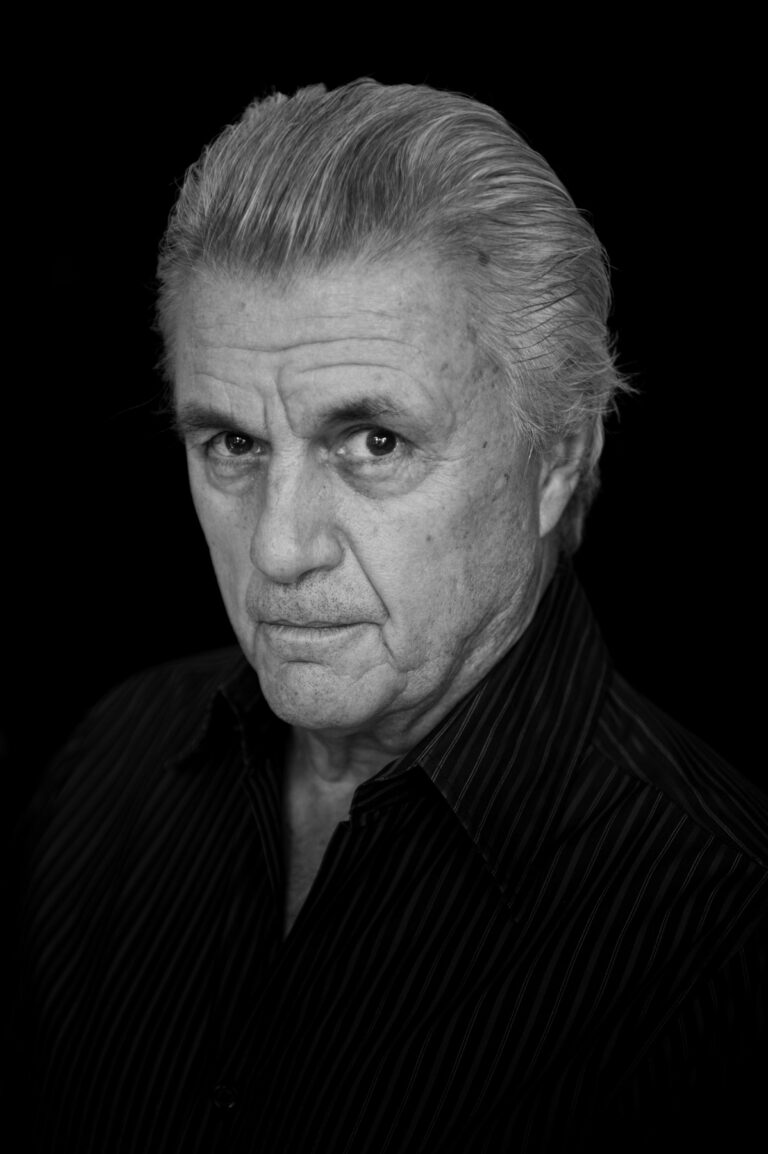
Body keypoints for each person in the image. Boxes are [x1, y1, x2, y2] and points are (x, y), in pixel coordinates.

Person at [12, 79, 766, 1153]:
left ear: (559, 456)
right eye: (233, 444)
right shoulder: (109, 763)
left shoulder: (723, 930)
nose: (280, 548)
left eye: (374, 442)